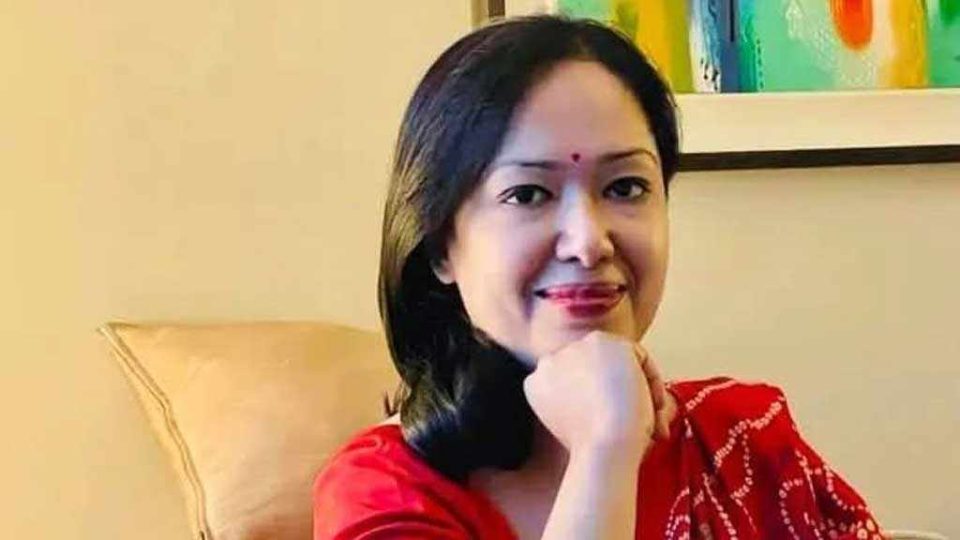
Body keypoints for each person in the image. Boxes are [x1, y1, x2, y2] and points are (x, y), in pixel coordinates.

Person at [313, 15, 882, 539]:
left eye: (625, 187)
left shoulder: (743, 442)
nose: (588, 241)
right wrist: (603, 452)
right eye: (528, 194)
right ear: (441, 246)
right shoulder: (383, 491)